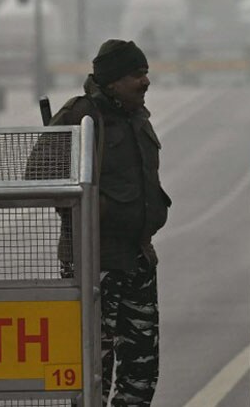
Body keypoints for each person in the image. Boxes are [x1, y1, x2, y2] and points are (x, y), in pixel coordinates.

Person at [50, 39, 170, 406]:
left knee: (141, 370)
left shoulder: (138, 118)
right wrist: (89, 202)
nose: (146, 81)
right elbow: (41, 176)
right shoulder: (80, 117)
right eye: (137, 74)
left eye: (146, 72)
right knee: (93, 372)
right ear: (114, 80)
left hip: (136, 261)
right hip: (95, 264)